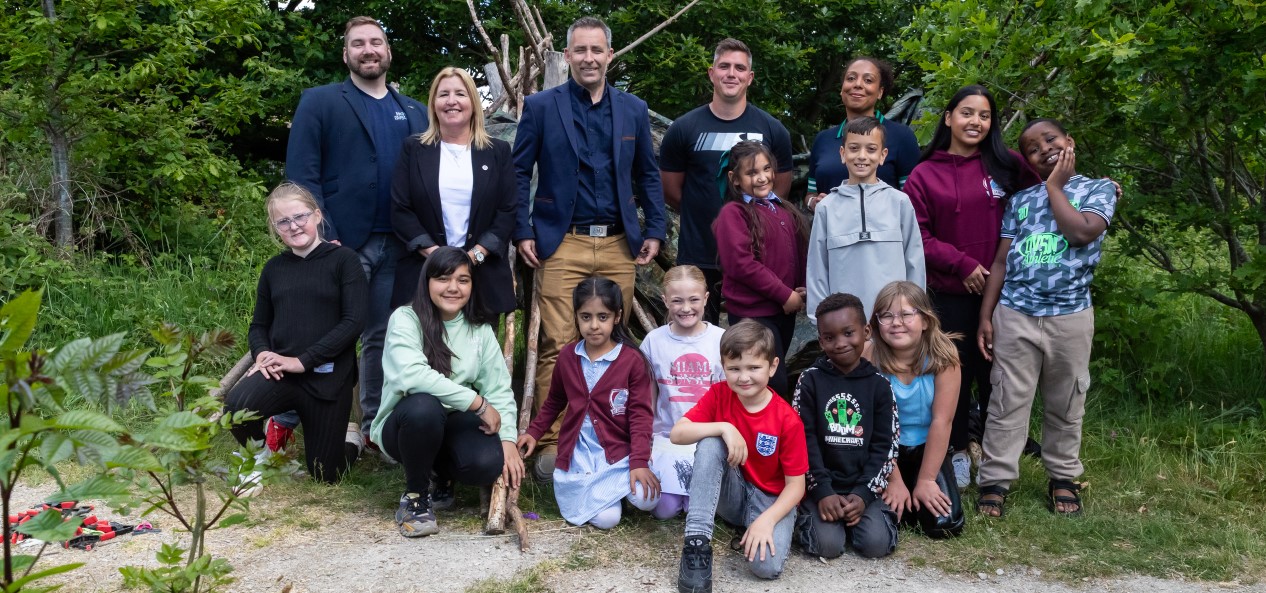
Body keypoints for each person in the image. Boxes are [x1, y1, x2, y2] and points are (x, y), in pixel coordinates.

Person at [512, 16, 667, 481]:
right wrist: (523, 229)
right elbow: (519, 173)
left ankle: (606, 440)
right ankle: (555, 446)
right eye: (579, 51)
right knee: (559, 344)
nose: (589, 59)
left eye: (597, 50)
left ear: (610, 55)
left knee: (611, 347)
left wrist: (654, 228)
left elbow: (648, 175)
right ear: (567, 56)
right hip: (562, 243)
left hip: (618, 243)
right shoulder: (540, 107)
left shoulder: (633, 109)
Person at [282, 16, 429, 454]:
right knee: (323, 330)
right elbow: (302, 176)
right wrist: (324, 235)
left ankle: (372, 427)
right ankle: (300, 419)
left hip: (399, 244)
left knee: (382, 336)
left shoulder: (416, 111)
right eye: (359, 44)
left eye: (376, 43)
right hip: (343, 241)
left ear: (388, 52)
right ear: (346, 54)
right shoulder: (321, 102)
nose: (369, 50)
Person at [975, 118, 1116, 518]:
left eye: (1051, 140)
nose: (1044, 150)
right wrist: (987, 316)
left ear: (1069, 142)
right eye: (1034, 148)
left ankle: (1063, 477)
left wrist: (1056, 186)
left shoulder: (1098, 189)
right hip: (1016, 313)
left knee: (1067, 398)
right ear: (1028, 160)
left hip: (1069, 315)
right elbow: (1001, 261)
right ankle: (996, 479)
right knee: (1006, 399)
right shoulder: (1021, 201)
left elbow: (1081, 233)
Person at [904, 84, 1043, 488]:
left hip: (1008, 291)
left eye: (984, 116)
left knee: (1001, 372)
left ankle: (1000, 455)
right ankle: (959, 450)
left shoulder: (1007, 164)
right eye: (967, 113)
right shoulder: (923, 174)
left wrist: (1094, 190)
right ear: (948, 117)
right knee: (956, 374)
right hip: (950, 293)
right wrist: (962, 264)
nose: (975, 122)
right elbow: (917, 235)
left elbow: (1049, 193)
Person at [371, 247, 523, 537]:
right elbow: (412, 375)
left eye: (463, 280)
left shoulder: (478, 329)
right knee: (424, 407)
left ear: (472, 285)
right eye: (443, 278)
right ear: (426, 281)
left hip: (452, 422)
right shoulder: (405, 319)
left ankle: (440, 474)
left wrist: (507, 440)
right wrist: (477, 402)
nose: (453, 287)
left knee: (487, 463)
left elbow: (499, 387)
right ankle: (415, 497)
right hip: (404, 425)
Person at [224, 182, 367, 487]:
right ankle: (258, 457)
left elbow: (354, 322)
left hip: (328, 378)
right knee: (236, 406)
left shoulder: (344, 261)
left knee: (325, 475)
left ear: (317, 216)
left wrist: (302, 361)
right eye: (283, 222)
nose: (294, 226)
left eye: (300, 216)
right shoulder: (274, 269)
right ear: (275, 228)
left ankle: (352, 440)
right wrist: (262, 354)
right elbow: (258, 325)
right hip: (281, 375)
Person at [659, 38, 794, 324]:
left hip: (755, 259)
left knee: (749, 347)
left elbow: (779, 188)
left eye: (739, 68)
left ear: (750, 77)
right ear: (712, 73)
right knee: (692, 340)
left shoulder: (773, 130)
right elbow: (671, 190)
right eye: (724, 66)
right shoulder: (684, 128)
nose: (731, 73)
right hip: (699, 254)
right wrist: (704, 212)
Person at [672, 321, 808, 590]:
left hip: (770, 500)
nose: (743, 377)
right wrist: (724, 427)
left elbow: (797, 486)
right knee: (710, 442)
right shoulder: (719, 394)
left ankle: (760, 526)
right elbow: (678, 434)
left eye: (754, 368)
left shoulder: (787, 419)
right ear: (723, 367)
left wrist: (767, 520)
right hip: (733, 492)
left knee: (765, 567)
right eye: (734, 369)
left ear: (772, 366)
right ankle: (697, 544)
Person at [517, 276, 660, 529]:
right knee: (607, 520)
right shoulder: (567, 357)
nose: (594, 325)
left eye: (602, 317)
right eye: (586, 317)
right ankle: (609, 499)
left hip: (619, 452)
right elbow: (554, 401)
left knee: (647, 499)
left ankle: (615, 492)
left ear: (617, 316)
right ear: (577, 317)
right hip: (580, 451)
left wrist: (638, 462)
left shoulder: (631, 360)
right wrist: (534, 432)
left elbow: (640, 416)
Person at [390, 67, 516, 318]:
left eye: (460, 93)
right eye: (443, 94)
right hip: (424, 273)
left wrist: (474, 256)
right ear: (433, 103)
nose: (451, 101)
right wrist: (437, 257)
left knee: (477, 354)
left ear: (473, 102)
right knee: (424, 354)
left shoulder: (497, 151)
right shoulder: (414, 149)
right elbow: (400, 208)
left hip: (482, 276)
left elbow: (508, 209)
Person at [792, 293, 899, 560]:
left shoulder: (880, 385)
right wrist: (822, 491)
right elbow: (801, 440)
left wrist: (864, 494)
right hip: (821, 486)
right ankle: (815, 519)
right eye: (830, 337)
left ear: (866, 331)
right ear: (821, 341)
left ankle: (862, 517)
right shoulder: (809, 381)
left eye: (848, 333)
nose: (840, 343)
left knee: (876, 545)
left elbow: (886, 446)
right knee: (827, 546)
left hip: (862, 486)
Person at [868, 281, 965, 538]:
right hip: (884, 449)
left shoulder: (944, 358)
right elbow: (874, 425)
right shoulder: (870, 357)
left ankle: (920, 482)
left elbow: (942, 421)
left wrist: (927, 480)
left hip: (927, 447)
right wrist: (893, 479)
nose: (896, 322)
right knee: (891, 519)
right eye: (886, 315)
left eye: (906, 314)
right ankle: (904, 487)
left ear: (925, 321)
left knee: (944, 525)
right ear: (876, 323)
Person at [713, 140, 808, 399]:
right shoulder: (734, 213)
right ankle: (752, 437)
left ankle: (770, 437)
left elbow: (794, 254)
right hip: (752, 315)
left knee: (771, 375)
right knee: (767, 383)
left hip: (782, 314)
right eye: (752, 172)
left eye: (766, 169)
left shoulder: (782, 209)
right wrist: (784, 294)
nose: (762, 177)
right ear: (734, 179)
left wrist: (799, 288)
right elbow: (741, 264)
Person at [806, 117, 925, 321]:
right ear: (842, 154)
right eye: (854, 148)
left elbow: (915, 262)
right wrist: (820, 320)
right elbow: (817, 270)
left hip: (894, 319)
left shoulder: (900, 202)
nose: (862, 156)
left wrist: (915, 313)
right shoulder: (826, 208)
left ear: (882, 155)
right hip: (845, 324)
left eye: (871, 149)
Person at [640, 265, 727, 519]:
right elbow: (649, 394)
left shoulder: (721, 340)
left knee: (698, 509)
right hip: (667, 439)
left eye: (694, 300)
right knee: (663, 510)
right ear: (665, 300)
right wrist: (647, 438)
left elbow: (726, 396)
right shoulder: (654, 342)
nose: (686, 308)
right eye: (677, 301)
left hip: (706, 439)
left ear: (706, 299)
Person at [806, 57, 920, 209]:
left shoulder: (901, 137)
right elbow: (811, 193)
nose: (858, 84)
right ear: (842, 89)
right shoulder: (823, 139)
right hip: (831, 230)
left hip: (883, 231)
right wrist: (813, 203)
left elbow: (913, 199)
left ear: (880, 92)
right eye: (851, 78)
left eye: (868, 80)